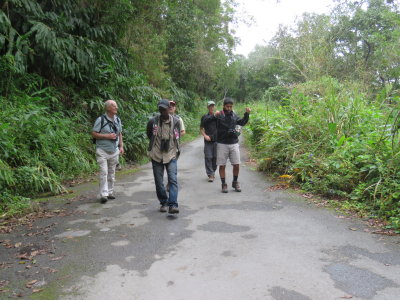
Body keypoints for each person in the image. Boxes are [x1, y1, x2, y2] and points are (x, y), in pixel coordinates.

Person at [147, 99, 181, 214]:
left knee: (173, 180)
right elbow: (149, 134)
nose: (162, 111)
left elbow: (178, 136)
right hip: (157, 155)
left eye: (164, 108)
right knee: (158, 182)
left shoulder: (176, 121)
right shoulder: (153, 121)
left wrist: (176, 150)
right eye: (160, 108)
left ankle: (173, 205)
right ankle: (163, 202)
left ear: (168, 108)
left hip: (171, 154)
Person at [215, 97, 251, 193]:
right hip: (222, 143)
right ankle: (224, 184)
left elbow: (242, 122)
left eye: (231, 107)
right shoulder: (219, 115)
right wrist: (215, 116)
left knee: (236, 164)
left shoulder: (234, 115)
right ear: (224, 106)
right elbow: (213, 125)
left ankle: (235, 182)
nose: (229, 108)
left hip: (233, 143)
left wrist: (247, 114)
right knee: (222, 165)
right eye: (227, 107)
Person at [92, 100, 124, 203]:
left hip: (114, 150)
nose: (116, 108)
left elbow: (119, 134)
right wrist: (107, 136)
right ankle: (103, 194)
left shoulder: (117, 120)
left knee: (112, 172)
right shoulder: (100, 120)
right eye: (114, 106)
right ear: (108, 108)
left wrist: (121, 146)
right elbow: (94, 133)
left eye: (116, 106)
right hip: (102, 150)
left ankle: (110, 192)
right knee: (104, 172)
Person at [200, 100, 217, 182]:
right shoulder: (204, 117)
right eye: (210, 106)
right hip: (208, 140)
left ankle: (213, 172)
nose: (212, 107)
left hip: (217, 140)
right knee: (208, 157)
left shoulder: (218, 116)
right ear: (208, 107)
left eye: (213, 106)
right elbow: (201, 128)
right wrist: (205, 135)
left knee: (215, 158)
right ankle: (210, 174)